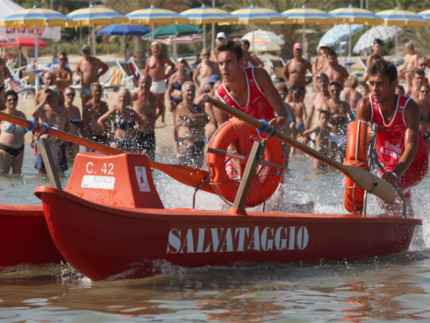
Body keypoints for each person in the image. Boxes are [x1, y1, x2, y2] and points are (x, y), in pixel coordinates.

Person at [356, 59, 428, 217]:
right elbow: (357, 147)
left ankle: (400, 223)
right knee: (390, 198)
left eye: (380, 84)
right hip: (387, 163)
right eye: (371, 83)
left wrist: (396, 174)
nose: (374, 89)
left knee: (386, 193)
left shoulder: (409, 107)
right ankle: (409, 227)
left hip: (415, 163)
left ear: (393, 84)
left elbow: (411, 146)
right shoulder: (365, 106)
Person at [210, 40, 288, 130]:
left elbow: (283, 113)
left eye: (229, 62)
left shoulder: (259, 76)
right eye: (221, 63)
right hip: (242, 143)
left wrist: (278, 124)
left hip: (269, 139)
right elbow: (225, 139)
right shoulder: (219, 99)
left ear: (241, 62)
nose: (224, 68)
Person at [32, 86, 70, 172]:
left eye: (53, 95)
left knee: (61, 172)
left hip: (59, 144)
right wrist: (44, 101)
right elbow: (34, 114)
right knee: (41, 171)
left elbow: (67, 127)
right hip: (45, 143)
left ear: (57, 96)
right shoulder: (43, 109)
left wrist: (65, 141)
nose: (51, 98)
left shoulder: (63, 110)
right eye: (48, 96)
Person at [175, 81, 209, 168]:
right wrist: (198, 119)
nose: (191, 92)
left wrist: (194, 120)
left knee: (198, 168)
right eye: (188, 90)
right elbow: (191, 117)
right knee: (185, 169)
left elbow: (207, 118)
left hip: (199, 142)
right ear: (183, 93)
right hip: (186, 141)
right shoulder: (180, 106)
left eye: (193, 90)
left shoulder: (198, 107)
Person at [144, 41, 175, 126]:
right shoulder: (149, 60)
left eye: (157, 47)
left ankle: (163, 119)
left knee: (162, 102)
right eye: (154, 48)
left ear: (159, 49)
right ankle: (152, 119)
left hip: (161, 82)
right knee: (152, 101)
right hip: (152, 83)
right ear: (152, 49)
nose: (156, 49)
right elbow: (146, 72)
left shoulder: (163, 59)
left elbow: (173, 65)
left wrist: (168, 74)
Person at [322, 81, 353, 162]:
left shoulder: (345, 105)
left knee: (344, 160)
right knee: (331, 159)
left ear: (340, 91)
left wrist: (348, 115)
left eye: (337, 90)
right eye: (332, 91)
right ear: (329, 91)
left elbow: (352, 120)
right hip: (333, 134)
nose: (335, 92)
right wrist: (332, 126)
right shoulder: (326, 105)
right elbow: (325, 121)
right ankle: (330, 175)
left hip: (344, 134)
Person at [132, 74, 159, 160]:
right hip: (138, 133)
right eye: (143, 82)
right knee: (136, 159)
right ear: (139, 83)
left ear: (151, 84)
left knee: (151, 162)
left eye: (147, 83)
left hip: (150, 133)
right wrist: (134, 119)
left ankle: (151, 173)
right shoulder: (135, 96)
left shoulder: (154, 96)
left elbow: (161, 107)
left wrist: (156, 116)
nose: (145, 85)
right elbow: (122, 107)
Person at [0, 90, 27, 174]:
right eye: (9, 100)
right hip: (5, 150)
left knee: (17, 176)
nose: (12, 101)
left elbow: (26, 129)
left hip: (20, 150)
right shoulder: (2, 115)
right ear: (5, 102)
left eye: (14, 99)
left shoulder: (21, 115)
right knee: (4, 175)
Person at [80, 83, 110, 149]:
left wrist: (109, 135)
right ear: (92, 92)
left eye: (99, 91)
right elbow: (85, 124)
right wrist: (90, 139)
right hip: (91, 137)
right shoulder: (88, 106)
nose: (98, 93)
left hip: (103, 136)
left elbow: (108, 121)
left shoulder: (104, 105)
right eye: (96, 91)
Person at [166, 58, 192, 127]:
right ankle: (175, 137)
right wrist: (169, 103)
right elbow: (168, 91)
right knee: (175, 122)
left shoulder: (187, 77)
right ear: (177, 65)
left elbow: (191, 89)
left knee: (186, 121)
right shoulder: (174, 77)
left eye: (184, 63)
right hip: (175, 101)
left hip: (185, 101)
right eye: (181, 63)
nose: (182, 65)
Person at [64, 87, 81, 161]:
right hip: (65, 137)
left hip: (75, 138)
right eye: (68, 94)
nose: (71, 96)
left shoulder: (76, 109)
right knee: (66, 160)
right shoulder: (62, 109)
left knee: (74, 161)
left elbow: (79, 125)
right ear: (64, 95)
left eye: (73, 94)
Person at [289, 89, 308, 155]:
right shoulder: (301, 104)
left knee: (293, 144)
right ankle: (301, 152)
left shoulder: (290, 104)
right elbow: (306, 116)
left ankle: (292, 157)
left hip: (293, 124)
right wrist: (307, 127)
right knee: (306, 138)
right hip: (300, 124)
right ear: (300, 96)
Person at [417, 83, 430, 152]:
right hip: (417, 138)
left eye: (427, 91)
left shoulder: (429, 105)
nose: (424, 93)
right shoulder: (414, 105)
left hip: (427, 138)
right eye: (422, 91)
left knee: (426, 160)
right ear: (419, 92)